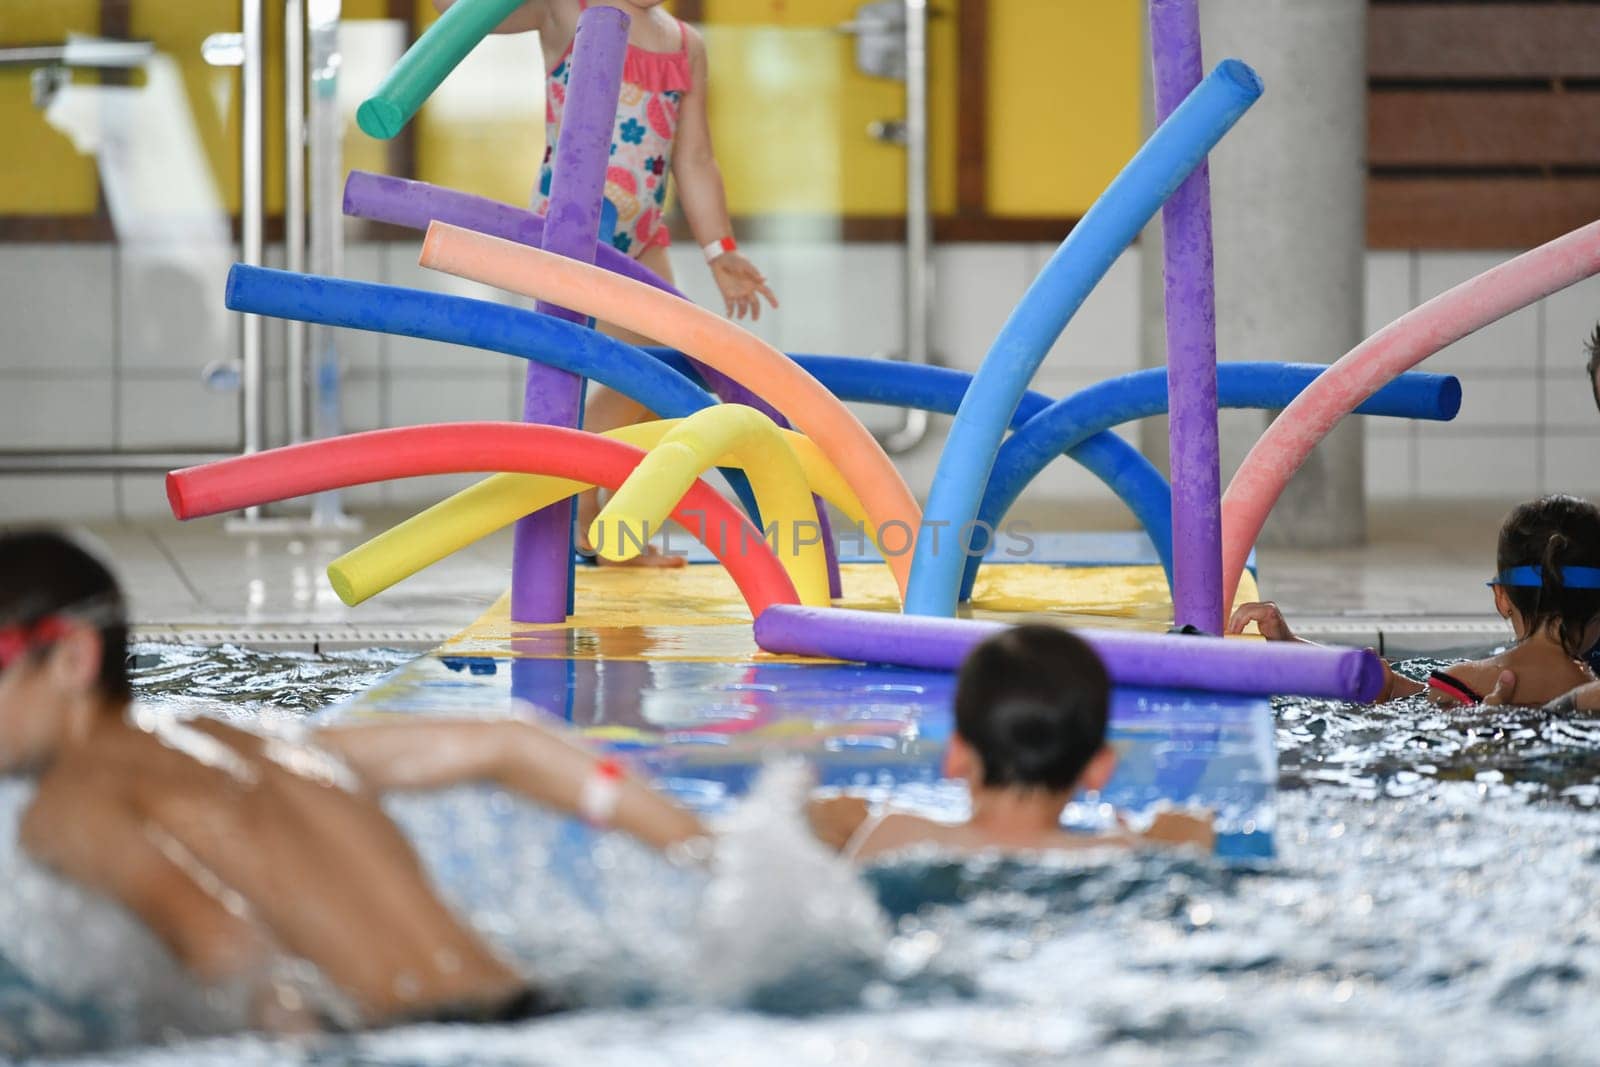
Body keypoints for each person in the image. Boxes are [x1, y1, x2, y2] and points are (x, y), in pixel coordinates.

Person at [0, 528, 709, 1033]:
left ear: (71, 658)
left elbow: (228, 951)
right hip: (549, 1011)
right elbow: (508, 741)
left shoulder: (70, 803)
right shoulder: (249, 737)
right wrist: (704, 845)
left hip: (423, 1042)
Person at [433, 0, 779, 565]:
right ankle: (585, 516)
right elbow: (463, 16)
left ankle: (615, 527)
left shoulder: (685, 43)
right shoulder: (565, 9)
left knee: (664, 372)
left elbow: (695, 158)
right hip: (573, 234)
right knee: (639, 373)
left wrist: (721, 250)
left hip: (641, 237)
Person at [806, 625, 1215, 862]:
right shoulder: (1117, 855)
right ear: (1099, 768)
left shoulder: (895, 835)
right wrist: (1173, 843)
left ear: (957, 754)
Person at [1229, 494, 1600, 708]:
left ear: (1502, 598)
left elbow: (1386, 688)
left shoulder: (1464, 680)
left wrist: (1289, 648)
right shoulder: (1591, 693)